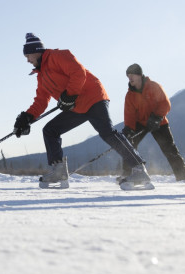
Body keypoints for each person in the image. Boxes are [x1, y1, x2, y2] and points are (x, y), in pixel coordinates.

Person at [12, 33, 152, 189]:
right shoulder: (41, 76)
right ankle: (58, 170)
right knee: (50, 130)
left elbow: (79, 72)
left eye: (28, 55)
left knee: (107, 132)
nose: (27, 60)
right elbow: (41, 101)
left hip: (93, 97)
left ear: (36, 51)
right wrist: (27, 117)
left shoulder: (58, 56)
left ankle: (139, 169)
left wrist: (69, 95)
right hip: (77, 106)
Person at [121, 63, 185, 185]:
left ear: (139, 75)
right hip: (140, 122)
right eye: (128, 76)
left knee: (169, 149)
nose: (130, 78)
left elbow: (165, 103)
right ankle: (128, 174)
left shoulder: (153, 86)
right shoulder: (130, 95)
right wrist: (129, 129)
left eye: (132, 75)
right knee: (129, 145)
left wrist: (157, 117)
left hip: (158, 121)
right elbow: (129, 114)